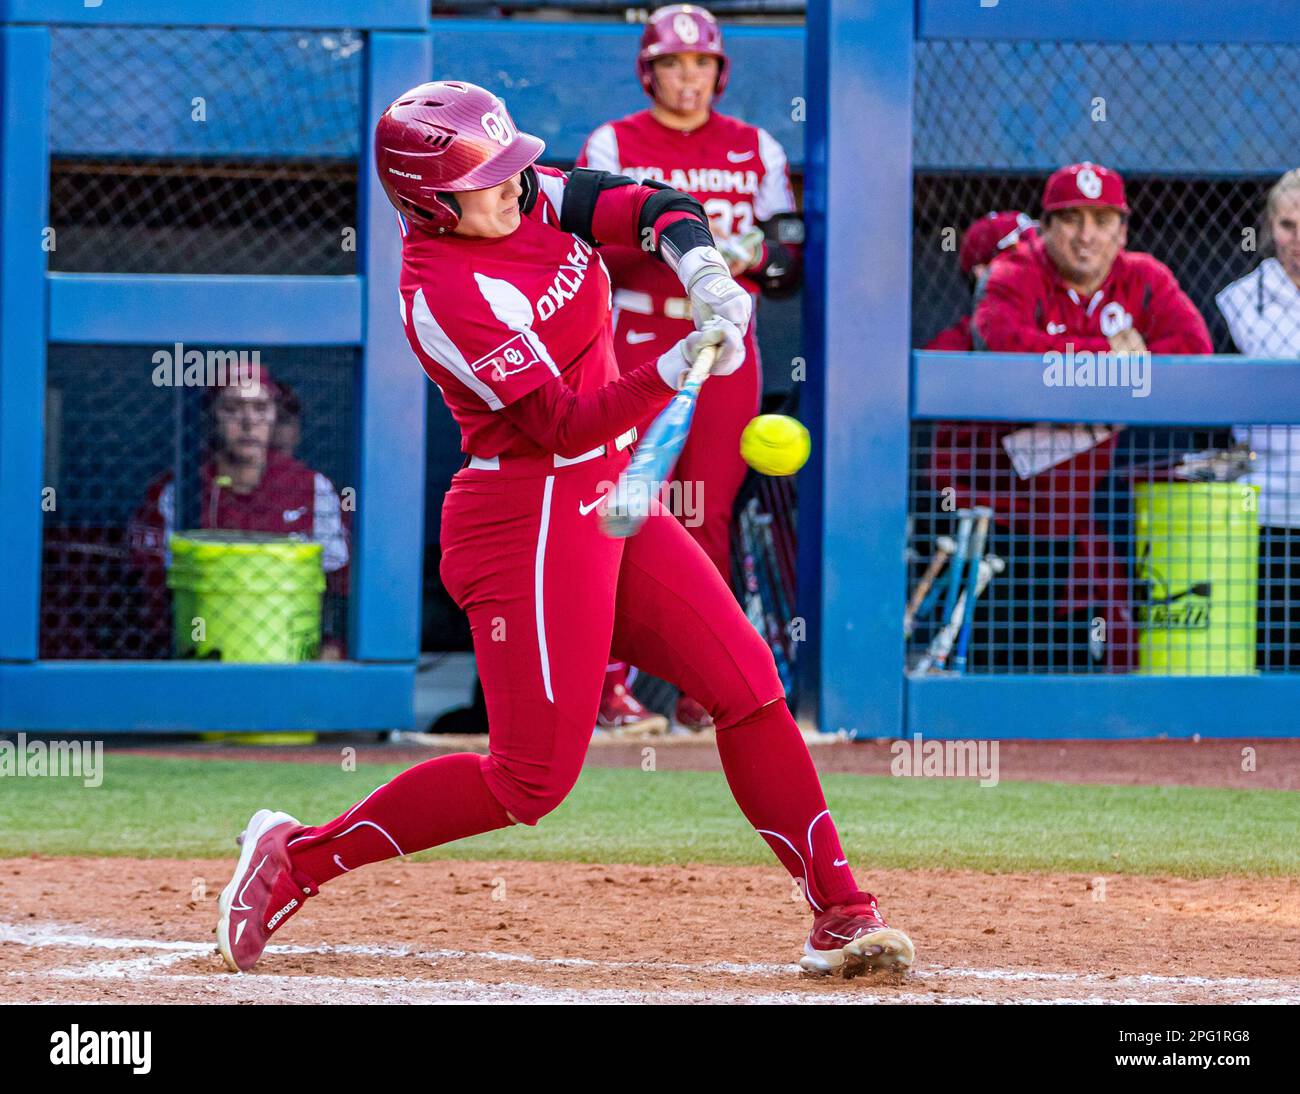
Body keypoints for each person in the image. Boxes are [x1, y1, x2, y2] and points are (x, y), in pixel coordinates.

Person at [214, 81, 913, 980]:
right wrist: (675, 362)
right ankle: (293, 860)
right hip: (524, 519)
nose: (517, 183)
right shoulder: (445, 291)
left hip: (609, 496)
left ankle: (842, 913)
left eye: (512, 166)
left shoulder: (523, 195)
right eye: (490, 178)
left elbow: (642, 204)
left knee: (747, 683)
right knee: (528, 781)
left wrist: (700, 267)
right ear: (430, 201)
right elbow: (563, 422)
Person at [578, 4, 803, 732]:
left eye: (700, 64)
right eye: (673, 64)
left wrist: (754, 256)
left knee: (704, 516)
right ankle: (605, 687)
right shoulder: (615, 139)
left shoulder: (754, 146)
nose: (687, 79)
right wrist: (676, 242)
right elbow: (586, 248)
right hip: (640, 337)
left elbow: (789, 261)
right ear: (650, 71)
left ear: (719, 71)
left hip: (725, 348)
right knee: (623, 506)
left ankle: (702, 692)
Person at [933, 162, 1212, 670]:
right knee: (1005, 665)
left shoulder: (1146, 277)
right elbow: (1007, 344)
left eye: (1103, 221)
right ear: (1046, 228)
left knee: (1087, 665)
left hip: (1102, 510)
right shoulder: (1015, 270)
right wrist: (1109, 355)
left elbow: (1194, 350)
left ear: (1122, 231)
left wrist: (1076, 364)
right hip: (1012, 507)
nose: (1087, 237)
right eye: (1071, 220)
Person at [130, 364, 351, 657]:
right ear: (212, 417)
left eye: (260, 408)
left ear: (274, 416)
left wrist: (332, 644)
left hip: (290, 654)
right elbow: (150, 593)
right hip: (201, 656)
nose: (248, 422)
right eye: (233, 408)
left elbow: (340, 580)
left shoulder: (311, 487)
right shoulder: (177, 490)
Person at [1216, 167, 1300, 669]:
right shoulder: (1239, 302)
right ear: (1269, 227)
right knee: (1268, 659)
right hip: (1264, 512)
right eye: (1288, 226)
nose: (1299, 241)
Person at [926, 210, 1035, 351]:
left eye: (1034, 249)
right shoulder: (950, 350)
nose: (1034, 262)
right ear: (983, 273)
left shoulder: (1059, 319)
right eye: (1018, 256)